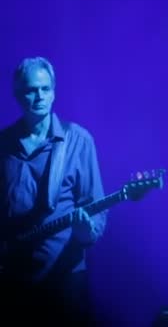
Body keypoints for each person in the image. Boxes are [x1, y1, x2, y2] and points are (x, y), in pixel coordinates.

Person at [0, 57, 107, 324]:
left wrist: (87, 233)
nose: (39, 96)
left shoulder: (78, 141)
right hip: (13, 281)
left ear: (54, 92)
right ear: (16, 94)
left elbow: (96, 207)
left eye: (45, 89)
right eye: (30, 90)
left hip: (65, 280)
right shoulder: (3, 145)